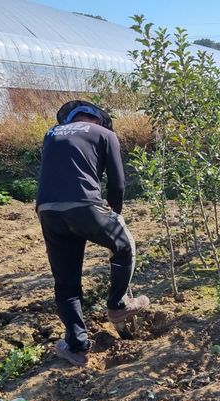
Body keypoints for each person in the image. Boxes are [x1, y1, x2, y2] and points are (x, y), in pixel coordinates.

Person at [37, 100, 150, 367]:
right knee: (124, 246)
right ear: (99, 120)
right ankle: (118, 305)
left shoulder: (51, 134)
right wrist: (116, 214)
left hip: (48, 211)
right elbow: (117, 182)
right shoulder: (105, 134)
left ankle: (76, 347)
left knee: (66, 283)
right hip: (86, 206)